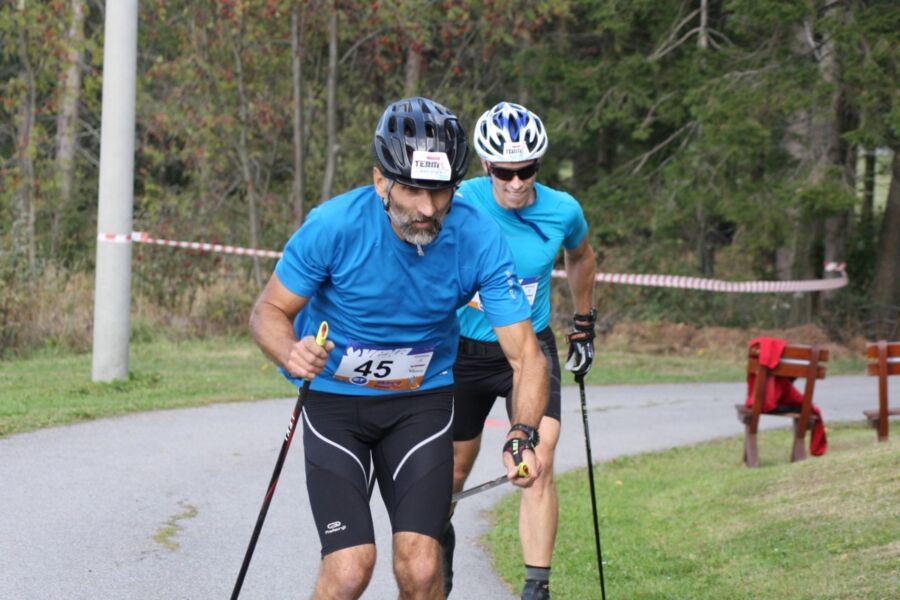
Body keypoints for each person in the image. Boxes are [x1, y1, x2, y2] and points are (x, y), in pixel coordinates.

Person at [249, 96, 549, 600]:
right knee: (348, 571)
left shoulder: (478, 237)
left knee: (423, 568)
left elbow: (527, 357)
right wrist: (289, 352)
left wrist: (522, 432)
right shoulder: (334, 226)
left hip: (420, 402)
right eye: (412, 189)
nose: (428, 209)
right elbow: (267, 312)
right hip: (335, 403)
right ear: (380, 180)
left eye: (440, 191)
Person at [442, 101, 597, 600]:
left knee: (536, 461)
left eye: (526, 170)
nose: (515, 182)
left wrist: (583, 324)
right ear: (486, 165)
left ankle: (536, 590)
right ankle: (434, 570)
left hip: (529, 351)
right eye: (504, 171)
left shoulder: (562, 210)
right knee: (452, 471)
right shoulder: (457, 200)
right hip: (462, 351)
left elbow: (582, 256)